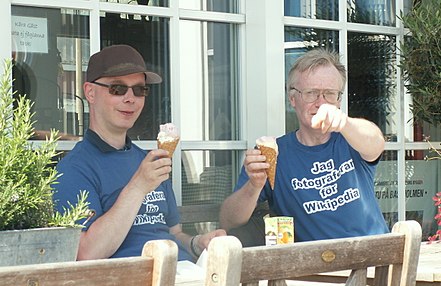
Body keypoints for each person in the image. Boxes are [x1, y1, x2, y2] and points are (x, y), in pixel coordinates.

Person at [53, 44, 225, 262]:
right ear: (90, 92)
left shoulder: (148, 161)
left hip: (182, 273)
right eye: (117, 89)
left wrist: (198, 243)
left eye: (139, 90)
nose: (130, 98)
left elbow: (173, 235)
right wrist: (139, 186)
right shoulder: (73, 170)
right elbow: (86, 253)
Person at [220, 48, 389, 242]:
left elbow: (376, 142)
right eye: (311, 93)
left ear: (339, 100)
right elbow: (228, 221)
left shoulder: (351, 139)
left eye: (330, 94)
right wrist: (254, 185)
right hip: (316, 267)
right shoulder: (274, 154)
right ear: (293, 99)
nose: (321, 103)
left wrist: (344, 123)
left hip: (375, 258)